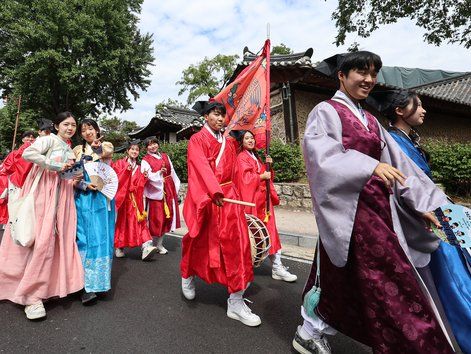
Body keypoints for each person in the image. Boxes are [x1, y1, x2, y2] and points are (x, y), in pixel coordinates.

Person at [293, 51, 454, 354]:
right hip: (350, 212)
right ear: (341, 75)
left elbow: (399, 164)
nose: (368, 80)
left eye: (373, 73)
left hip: (377, 210)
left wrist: (423, 203)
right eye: (361, 72)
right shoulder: (325, 112)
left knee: (346, 278)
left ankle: (310, 329)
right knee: (389, 280)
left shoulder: (370, 120)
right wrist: (368, 165)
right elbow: (321, 158)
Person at [367, 88, 471, 354]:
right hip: (425, 214)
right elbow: (406, 184)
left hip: (436, 209)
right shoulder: (393, 142)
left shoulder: (408, 140)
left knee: (457, 269)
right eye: (419, 105)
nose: (424, 110)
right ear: (400, 111)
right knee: (450, 276)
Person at [180, 100, 260, 327]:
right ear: (206, 117)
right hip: (208, 198)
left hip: (229, 198)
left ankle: (235, 299)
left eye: (222, 116)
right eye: (215, 115)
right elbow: (199, 168)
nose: (220, 119)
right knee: (200, 241)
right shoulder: (197, 140)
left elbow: (236, 170)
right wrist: (213, 192)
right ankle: (187, 274)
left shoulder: (229, 142)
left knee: (237, 244)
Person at [0, 111, 84, 320]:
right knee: (39, 241)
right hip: (42, 195)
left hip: (62, 197)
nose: (70, 128)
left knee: (55, 242)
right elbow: (29, 154)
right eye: (66, 124)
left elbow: (67, 174)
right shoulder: (48, 139)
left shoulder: (68, 147)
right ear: (56, 125)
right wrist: (54, 166)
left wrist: (75, 175)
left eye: (73, 125)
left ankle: (47, 287)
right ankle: (31, 296)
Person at [233, 130, 297, 282]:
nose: (250, 140)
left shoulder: (256, 157)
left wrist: (269, 166)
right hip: (253, 200)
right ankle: (243, 269)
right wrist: (261, 176)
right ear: (241, 141)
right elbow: (244, 179)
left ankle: (277, 267)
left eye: (252, 138)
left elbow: (267, 177)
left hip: (264, 202)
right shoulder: (241, 158)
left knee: (271, 232)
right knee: (253, 234)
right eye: (247, 138)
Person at [73, 119, 115, 305]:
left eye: (91, 128)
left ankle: (99, 282)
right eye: (84, 130)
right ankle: (83, 285)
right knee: (83, 238)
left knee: (101, 238)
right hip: (82, 196)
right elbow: (73, 174)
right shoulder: (76, 151)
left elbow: (105, 152)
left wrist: (96, 149)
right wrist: (82, 184)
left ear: (97, 130)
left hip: (101, 198)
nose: (88, 132)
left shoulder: (106, 144)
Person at [112, 140, 157, 261]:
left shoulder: (139, 167)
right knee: (122, 223)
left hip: (135, 201)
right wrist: (126, 171)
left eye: (136, 150)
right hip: (123, 199)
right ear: (127, 150)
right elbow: (115, 180)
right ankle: (119, 246)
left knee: (140, 222)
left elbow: (139, 186)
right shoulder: (119, 164)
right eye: (132, 149)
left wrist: (144, 178)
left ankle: (146, 246)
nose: (134, 151)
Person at [141, 137, 180, 254]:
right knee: (155, 218)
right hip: (156, 191)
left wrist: (175, 188)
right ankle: (148, 244)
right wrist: (158, 174)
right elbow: (146, 176)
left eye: (155, 144)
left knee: (167, 217)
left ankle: (159, 244)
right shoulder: (145, 160)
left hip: (168, 188)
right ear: (146, 147)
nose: (153, 146)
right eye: (150, 145)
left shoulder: (165, 156)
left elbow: (172, 172)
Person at [0, 131, 36, 225]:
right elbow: (8, 167)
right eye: (28, 137)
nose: (30, 139)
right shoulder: (14, 153)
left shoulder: (37, 152)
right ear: (23, 139)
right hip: (16, 183)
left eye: (32, 137)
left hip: (30, 181)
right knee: (15, 203)